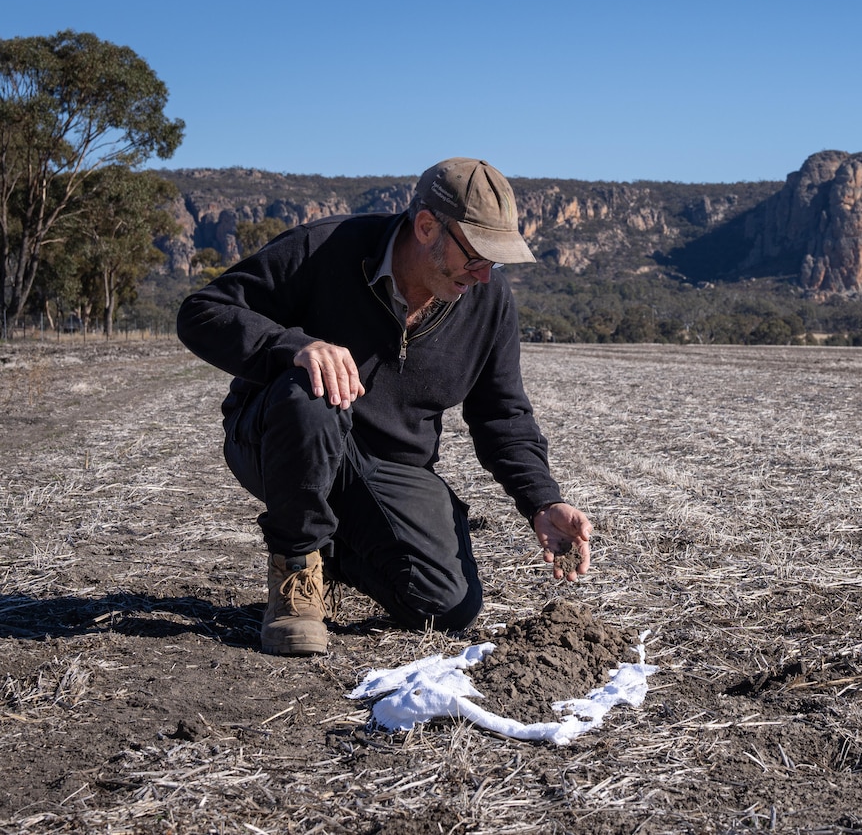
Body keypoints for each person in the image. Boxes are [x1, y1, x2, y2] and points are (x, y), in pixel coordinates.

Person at [176, 157, 592, 656]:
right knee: (314, 392)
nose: (483, 275)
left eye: (495, 261)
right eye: (478, 255)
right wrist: (293, 346)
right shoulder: (321, 249)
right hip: (279, 438)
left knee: (448, 605)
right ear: (426, 227)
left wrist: (543, 500)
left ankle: (335, 550)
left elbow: (502, 415)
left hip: (388, 466)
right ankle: (296, 570)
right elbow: (202, 312)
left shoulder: (489, 301)